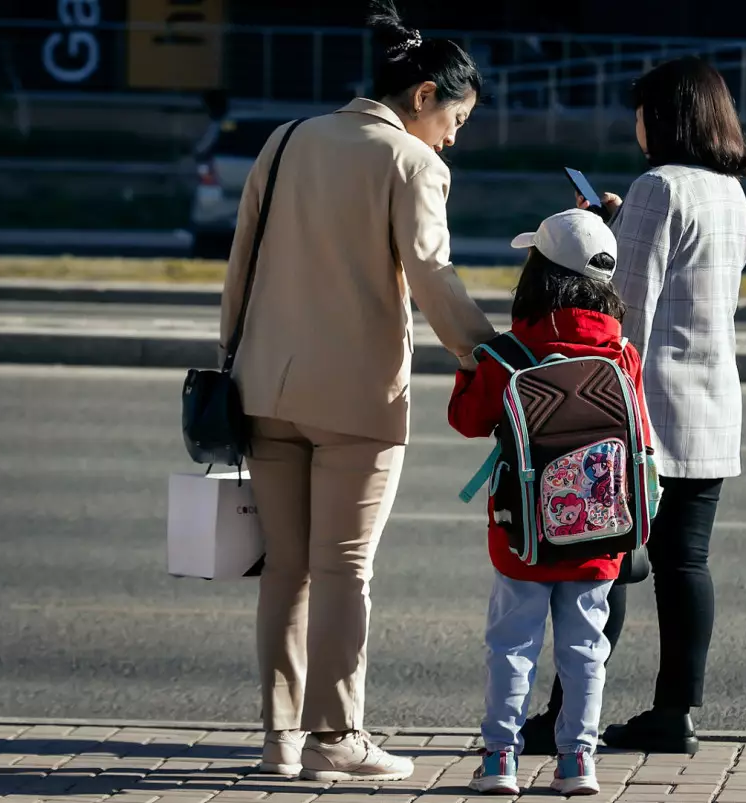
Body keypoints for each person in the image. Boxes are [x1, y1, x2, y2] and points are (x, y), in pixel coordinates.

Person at [217, 0, 496, 782]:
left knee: (285, 572)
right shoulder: (412, 162)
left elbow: (239, 264)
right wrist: (490, 351)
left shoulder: (286, 139)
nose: (454, 137)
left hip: (264, 386)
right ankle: (336, 738)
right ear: (423, 98)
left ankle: (279, 740)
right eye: (457, 120)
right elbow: (435, 279)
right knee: (344, 570)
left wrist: (232, 359)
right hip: (358, 401)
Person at [520, 56, 746, 756]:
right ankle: (675, 712)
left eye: (641, 111)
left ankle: (568, 715)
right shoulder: (728, 191)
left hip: (646, 407)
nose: (636, 124)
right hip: (712, 403)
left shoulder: (657, 185)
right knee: (686, 563)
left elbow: (627, 312)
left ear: (666, 115)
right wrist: (624, 225)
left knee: (608, 560)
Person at [447, 209, 652, 796]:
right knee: (586, 648)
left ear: (537, 274)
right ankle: (576, 762)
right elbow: (638, 437)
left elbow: (466, 420)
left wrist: (470, 369)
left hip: (524, 534)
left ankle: (500, 760)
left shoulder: (510, 354)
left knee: (512, 644)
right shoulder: (621, 355)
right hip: (601, 531)